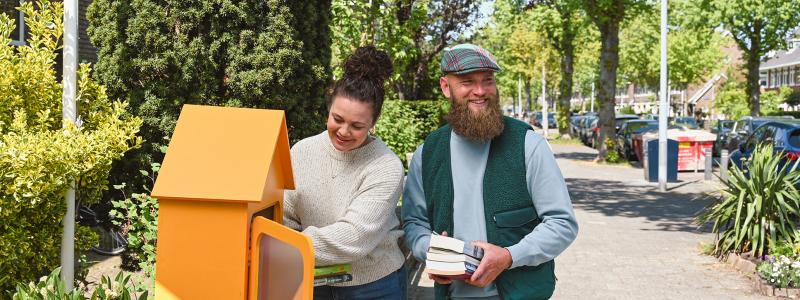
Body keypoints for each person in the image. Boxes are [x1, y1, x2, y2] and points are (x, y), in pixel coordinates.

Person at [402, 43, 579, 300]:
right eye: (467, 82)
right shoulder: (427, 153)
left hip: (522, 294)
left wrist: (509, 257)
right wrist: (430, 252)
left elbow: (562, 223)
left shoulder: (528, 145)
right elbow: (414, 223)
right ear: (445, 87)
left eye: (488, 80)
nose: (480, 91)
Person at [283, 45, 406, 300]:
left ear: (373, 123)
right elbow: (286, 215)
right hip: (313, 281)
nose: (343, 131)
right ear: (328, 109)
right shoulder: (302, 151)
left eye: (357, 126)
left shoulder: (385, 166)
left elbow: (354, 236)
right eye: (337, 119)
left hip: (373, 286)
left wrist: (284, 247)